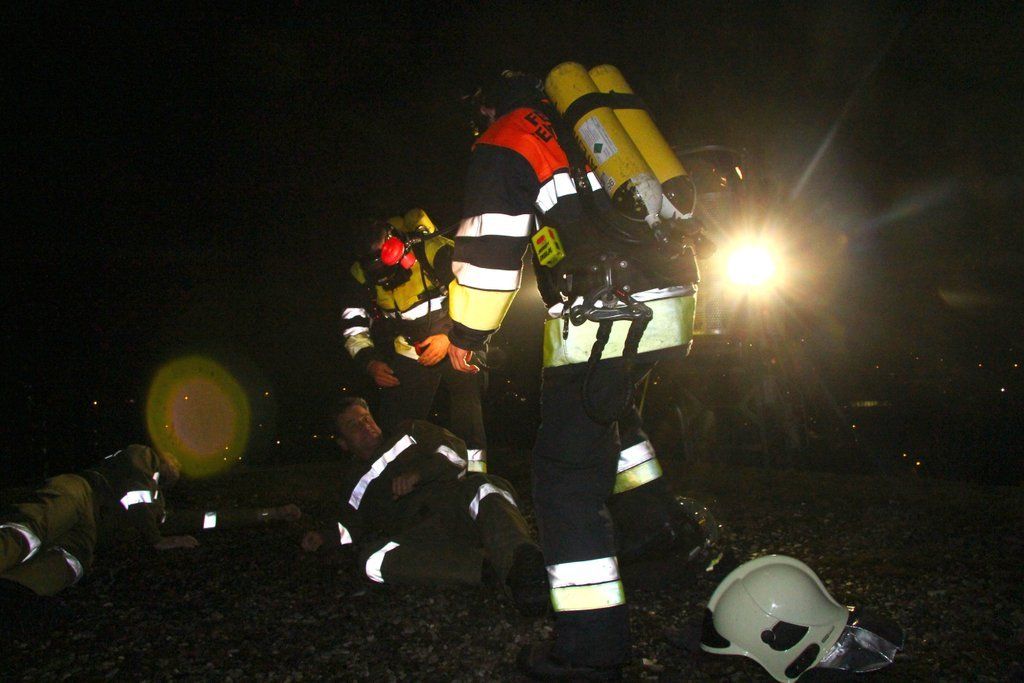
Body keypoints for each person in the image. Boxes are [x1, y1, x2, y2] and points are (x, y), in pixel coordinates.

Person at [446, 71, 705, 679]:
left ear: (485, 106)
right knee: (614, 420)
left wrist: (466, 335)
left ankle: (591, 649)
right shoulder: (577, 127)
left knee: (565, 480)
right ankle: (660, 544)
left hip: (606, 313)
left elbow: (489, 252)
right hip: (671, 299)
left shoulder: (507, 137)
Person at [301, 396, 548, 616]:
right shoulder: (353, 483)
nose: (365, 425)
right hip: (420, 536)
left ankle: (523, 563)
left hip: (455, 507)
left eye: (366, 418)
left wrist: (419, 474)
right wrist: (324, 537)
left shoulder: (410, 431)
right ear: (343, 443)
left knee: (486, 487)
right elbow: (350, 526)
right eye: (353, 425)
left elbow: (454, 451)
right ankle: (484, 568)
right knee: (371, 561)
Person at [0, 444, 301, 599]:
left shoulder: (158, 506)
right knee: (31, 530)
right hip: (82, 494)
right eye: (174, 458)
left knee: (68, 563)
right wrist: (156, 540)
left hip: (91, 533)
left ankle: (15, 591)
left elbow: (206, 519)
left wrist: (271, 514)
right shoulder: (142, 457)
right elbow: (137, 494)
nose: (176, 463)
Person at [339, 208, 488, 473]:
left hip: (458, 338)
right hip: (410, 348)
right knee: (396, 421)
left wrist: (450, 337)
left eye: (386, 264)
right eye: (376, 269)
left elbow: (478, 292)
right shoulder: (361, 274)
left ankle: (475, 475)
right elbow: (353, 326)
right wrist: (369, 362)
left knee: (467, 400)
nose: (384, 275)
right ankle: (399, 478)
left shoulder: (433, 250)